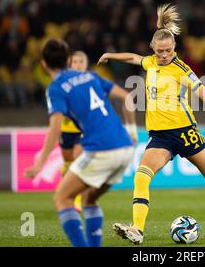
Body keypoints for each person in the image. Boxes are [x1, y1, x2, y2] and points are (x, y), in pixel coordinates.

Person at [97, 4, 205, 245]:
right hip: (160, 136)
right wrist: (110, 55)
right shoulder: (150, 62)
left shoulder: (182, 70)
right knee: (141, 176)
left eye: (168, 51)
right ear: (153, 48)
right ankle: (137, 229)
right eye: (159, 51)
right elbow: (133, 58)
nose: (164, 55)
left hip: (185, 133)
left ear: (174, 48)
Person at [24, 39, 137, 247]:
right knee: (88, 200)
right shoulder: (90, 75)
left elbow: (55, 128)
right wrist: (132, 132)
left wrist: (40, 163)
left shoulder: (56, 88)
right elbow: (128, 98)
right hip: (125, 148)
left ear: (43, 64)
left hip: (102, 151)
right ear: (68, 60)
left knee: (62, 199)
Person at [60, 51, 89, 212]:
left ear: (86, 65)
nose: (78, 64)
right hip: (65, 127)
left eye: (81, 62)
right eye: (75, 62)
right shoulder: (63, 83)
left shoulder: (90, 83)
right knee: (68, 161)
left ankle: (75, 200)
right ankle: (65, 193)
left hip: (83, 129)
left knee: (78, 159)